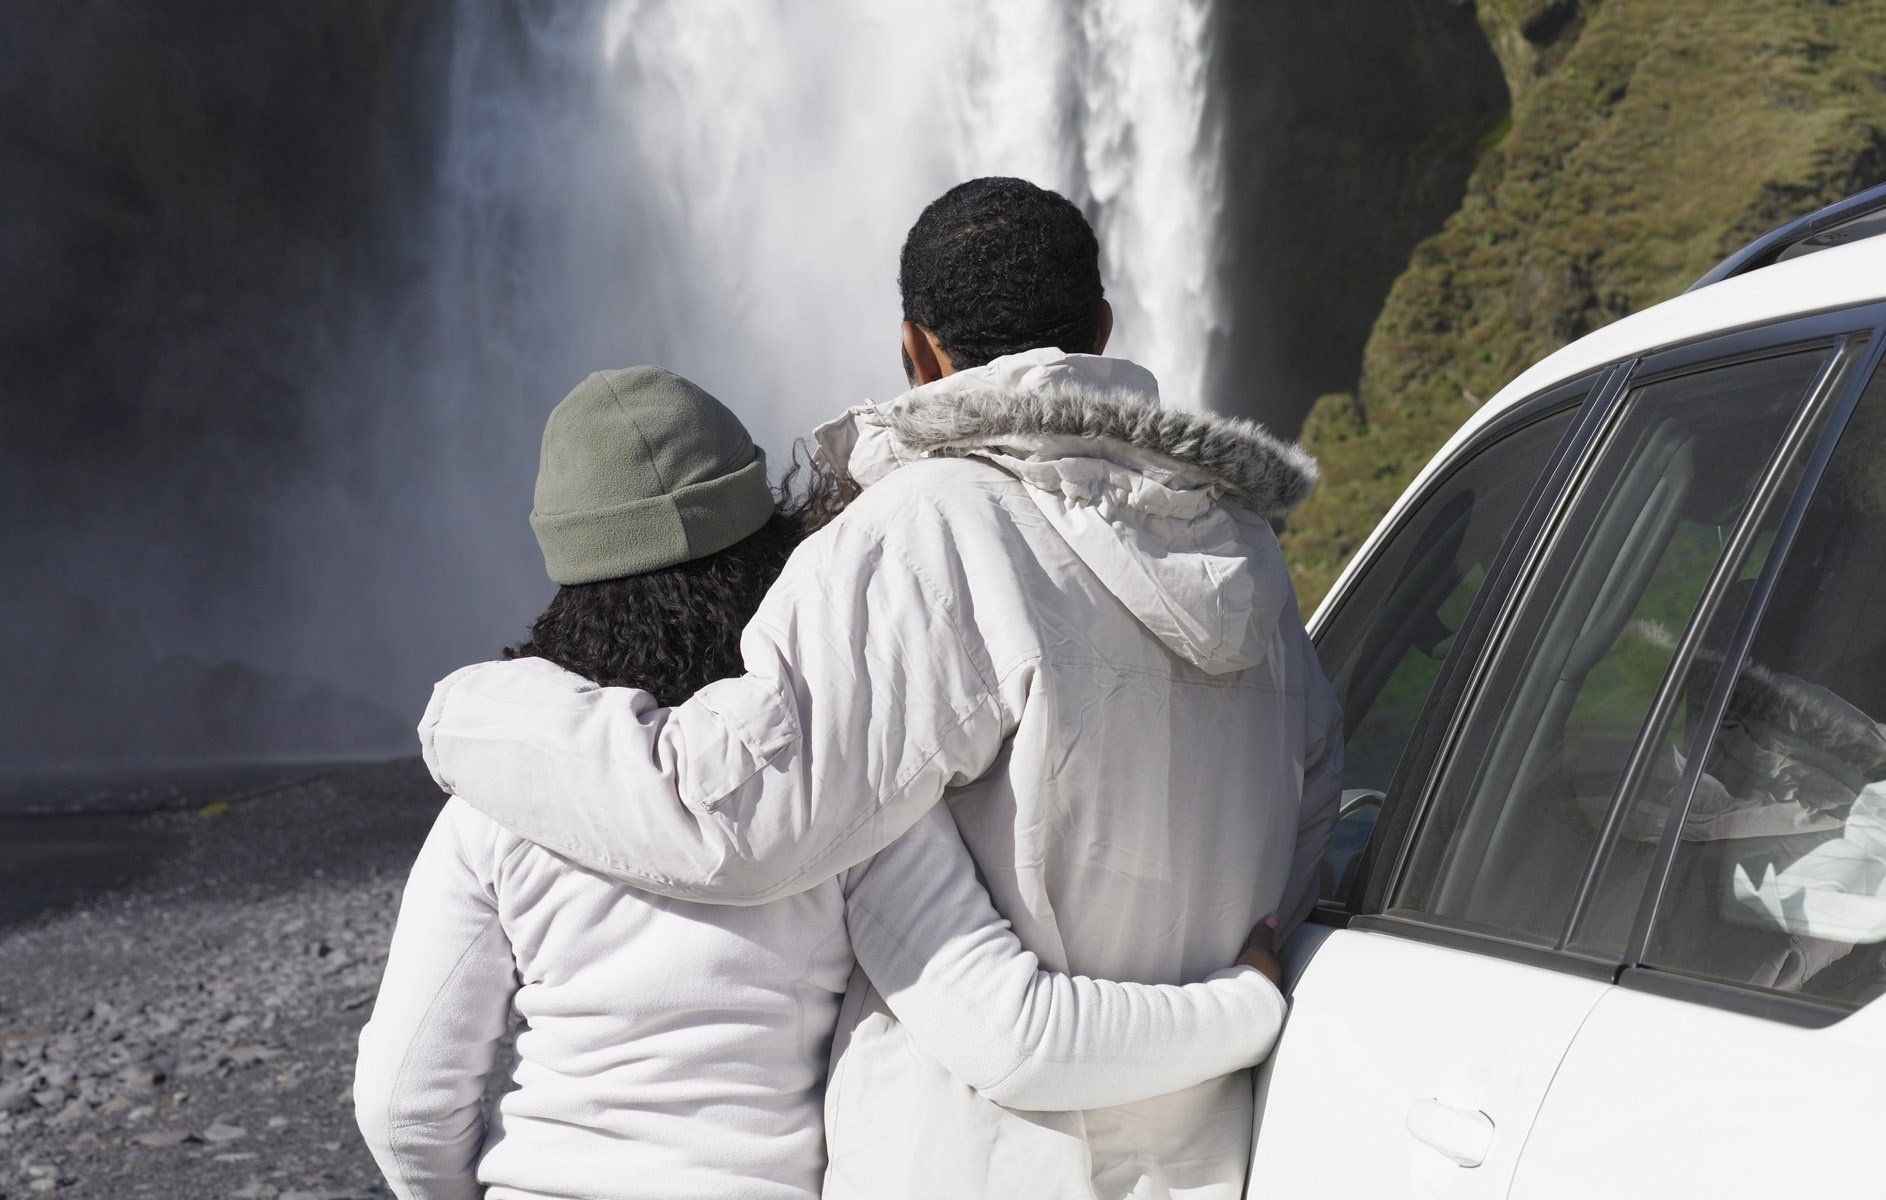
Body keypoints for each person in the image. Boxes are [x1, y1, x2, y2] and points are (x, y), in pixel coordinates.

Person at [419, 178, 1344, 1198]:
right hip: (1203, 1159)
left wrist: (470, 712)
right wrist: (1237, 1006)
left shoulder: (928, 528)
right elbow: (1301, 852)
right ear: (1103, 328)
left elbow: (733, 816)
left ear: (917, 351)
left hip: (971, 1160)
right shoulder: (1253, 563)